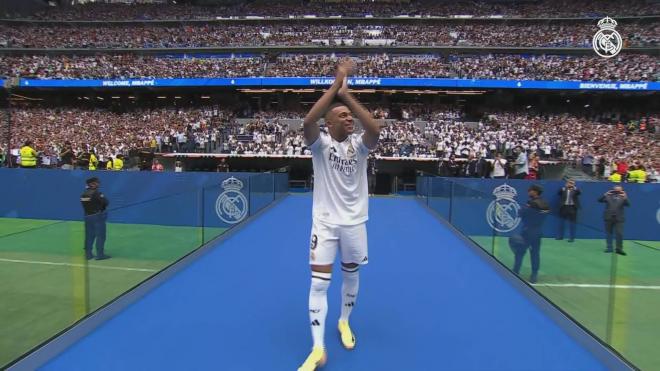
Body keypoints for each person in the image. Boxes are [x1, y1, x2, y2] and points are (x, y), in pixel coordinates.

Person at [298, 58, 380, 371]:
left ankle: (344, 321)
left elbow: (374, 129)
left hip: (355, 223)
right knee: (318, 284)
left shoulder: (360, 145)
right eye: (343, 116)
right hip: (325, 224)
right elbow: (308, 121)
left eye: (350, 116)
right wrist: (335, 86)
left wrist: (348, 96)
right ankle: (318, 349)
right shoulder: (320, 145)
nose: (350, 119)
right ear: (329, 124)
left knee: (351, 276)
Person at [511, 184, 550, 283]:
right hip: (538, 231)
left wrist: (527, 207)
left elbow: (520, 213)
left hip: (527, 231)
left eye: (530, 190)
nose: (528, 192)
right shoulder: (544, 203)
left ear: (535, 191)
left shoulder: (532, 204)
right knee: (535, 254)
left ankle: (515, 271)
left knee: (520, 251)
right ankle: (534, 274)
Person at [80, 177, 110, 260]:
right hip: (97, 217)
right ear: (92, 184)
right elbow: (106, 202)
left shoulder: (84, 194)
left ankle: (88, 254)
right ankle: (100, 254)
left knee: (89, 236)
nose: (98, 184)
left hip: (87, 216)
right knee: (100, 236)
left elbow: (85, 205)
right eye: (97, 182)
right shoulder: (97, 193)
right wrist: (101, 208)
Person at [598, 185, 630, 255]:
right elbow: (599, 200)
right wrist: (605, 194)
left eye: (619, 190)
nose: (617, 192)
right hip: (608, 217)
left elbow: (628, 205)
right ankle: (609, 247)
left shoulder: (623, 197)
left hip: (619, 219)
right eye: (616, 190)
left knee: (619, 233)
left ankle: (619, 249)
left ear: (622, 191)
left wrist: (625, 197)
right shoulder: (608, 196)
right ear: (613, 190)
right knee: (609, 233)